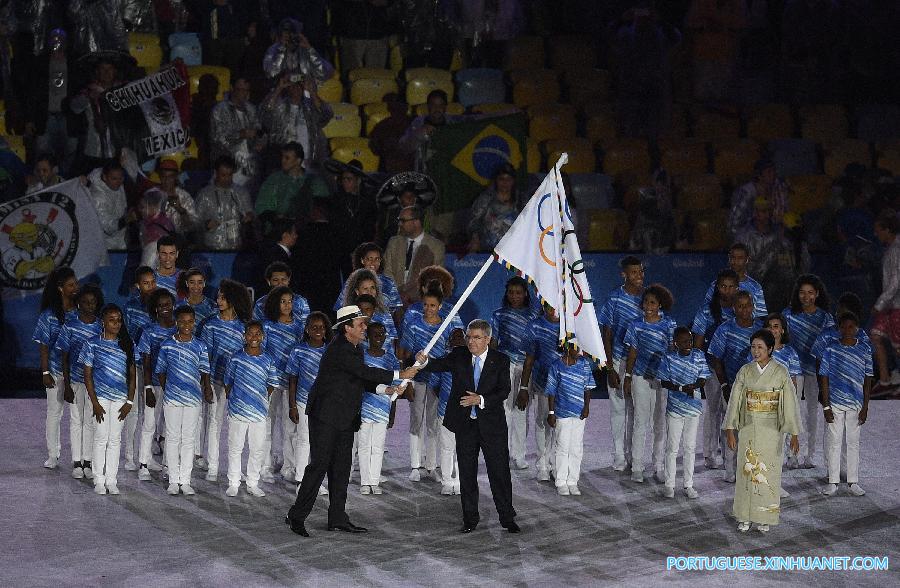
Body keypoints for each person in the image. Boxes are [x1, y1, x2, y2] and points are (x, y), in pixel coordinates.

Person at [285, 306, 418, 537]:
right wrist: (399, 375)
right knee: (318, 467)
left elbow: (358, 378)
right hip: (326, 417)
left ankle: (337, 517)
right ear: (347, 328)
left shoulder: (354, 349)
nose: (365, 328)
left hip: (345, 418)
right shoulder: (339, 349)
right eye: (360, 324)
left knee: (342, 469)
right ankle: (296, 516)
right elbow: (363, 371)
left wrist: (386, 389)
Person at [416, 319, 519, 534]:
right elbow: (437, 365)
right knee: (467, 473)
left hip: (492, 426)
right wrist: (423, 361)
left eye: (476, 338)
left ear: (487, 340)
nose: (471, 342)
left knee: (499, 472)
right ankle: (470, 518)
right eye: (469, 337)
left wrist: (480, 399)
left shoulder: (500, 360)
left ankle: (507, 517)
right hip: (466, 426)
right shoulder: (459, 356)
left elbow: (504, 391)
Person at [723, 329, 800, 534]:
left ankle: (764, 517)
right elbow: (735, 400)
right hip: (748, 427)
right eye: (753, 347)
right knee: (746, 471)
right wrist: (730, 428)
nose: (756, 351)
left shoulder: (781, 371)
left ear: (770, 349)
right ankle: (744, 516)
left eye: (760, 347)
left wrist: (794, 433)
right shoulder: (745, 371)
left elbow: (790, 403)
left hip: (772, 429)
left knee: (769, 473)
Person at [398, 282, 456, 482]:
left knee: (433, 423)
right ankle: (415, 465)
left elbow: (450, 354)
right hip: (418, 379)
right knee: (416, 420)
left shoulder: (447, 326)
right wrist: (409, 381)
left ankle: (431, 465)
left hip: (438, 381)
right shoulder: (414, 324)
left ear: (440, 306)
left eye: (433, 305)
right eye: (425, 305)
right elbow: (405, 353)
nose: (428, 309)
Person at [198, 279, 252, 482]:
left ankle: (237, 469)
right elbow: (205, 357)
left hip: (239, 384)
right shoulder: (210, 325)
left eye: (223, 297)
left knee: (238, 426)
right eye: (218, 296)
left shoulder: (244, 327)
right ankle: (212, 466)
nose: (218, 300)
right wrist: (206, 384)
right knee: (214, 422)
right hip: (215, 381)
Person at [156, 305, 213, 495]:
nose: (186, 325)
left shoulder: (200, 345)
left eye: (190, 321)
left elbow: (205, 371)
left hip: (193, 399)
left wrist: (205, 389)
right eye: (182, 321)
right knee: (172, 438)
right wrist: (171, 391)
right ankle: (173, 480)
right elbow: (161, 372)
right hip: (172, 399)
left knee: (188, 439)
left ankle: (185, 480)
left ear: (194, 322)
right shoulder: (167, 345)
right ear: (176, 322)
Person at [708, 290, 764, 482]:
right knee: (730, 428)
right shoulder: (724, 329)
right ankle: (730, 469)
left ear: (753, 307)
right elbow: (716, 358)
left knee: (751, 430)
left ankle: (749, 468)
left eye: (747, 305)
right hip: (732, 387)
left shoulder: (760, 330)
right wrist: (724, 384)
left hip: (756, 391)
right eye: (740, 306)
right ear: (734, 308)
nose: (744, 310)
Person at [623, 284, 676, 484]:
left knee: (660, 424)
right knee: (640, 422)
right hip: (639, 377)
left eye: (652, 302)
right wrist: (627, 376)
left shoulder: (669, 324)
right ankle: (637, 466)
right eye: (645, 302)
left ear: (660, 304)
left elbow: (672, 351)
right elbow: (633, 352)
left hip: (662, 380)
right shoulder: (635, 325)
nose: (648, 306)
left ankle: (659, 466)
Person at [81, 304, 136, 495]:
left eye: (119, 319)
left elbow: (132, 375)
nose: (116, 323)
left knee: (114, 440)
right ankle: (99, 479)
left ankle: (111, 480)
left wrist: (129, 401)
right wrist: (94, 403)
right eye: (112, 319)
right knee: (101, 438)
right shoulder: (92, 343)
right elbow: (87, 375)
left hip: (120, 399)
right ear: (103, 321)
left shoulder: (127, 344)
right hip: (101, 399)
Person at [598, 256, 644, 472]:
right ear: (624, 274)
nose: (639, 276)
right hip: (617, 359)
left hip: (640, 365)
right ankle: (618, 454)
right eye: (634, 272)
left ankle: (634, 454)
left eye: (641, 272)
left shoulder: (648, 300)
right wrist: (609, 367)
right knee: (618, 409)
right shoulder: (614, 299)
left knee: (636, 410)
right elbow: (606, 334)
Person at [819, 312, 874, 497]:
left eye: (852, 327)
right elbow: (824, 378)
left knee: (853, 443)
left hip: (856, 404)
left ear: (857, 328)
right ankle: (833, 481)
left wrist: (865, 407)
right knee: (834, 442)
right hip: (835, 403)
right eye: (844, 326)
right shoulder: (830, 349)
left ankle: (853, 481)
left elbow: (867, 380)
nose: (848, 330)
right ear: (839, 328)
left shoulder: (865, 350)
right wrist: (826, 406)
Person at [782, 274, 833, 469]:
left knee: (812, 413)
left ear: (817, 294)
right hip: (792, 371)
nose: (806, 297)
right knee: (791, 412)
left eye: (810, 293)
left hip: (815, 371)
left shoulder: (825, 318)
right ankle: (791, 455)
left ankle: (810, 456)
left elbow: (829, 347)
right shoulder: (788, 314)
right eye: (802, 293)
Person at [224, 321, 279, 497]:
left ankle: (253, 482)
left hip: (259, 412)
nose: (254, 337)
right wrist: (236, 400)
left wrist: (260, 398)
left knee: (257, 449)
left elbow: (271, 384)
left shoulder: (268, 359)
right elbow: (228, 382)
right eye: (250, 333)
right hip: (238, 411)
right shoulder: (236, 357)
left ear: (262, 336)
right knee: (235, 447)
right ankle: (233, 481)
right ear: (244, 336)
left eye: (257, 334)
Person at [490, 276, 539, 470]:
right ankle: (503, 452)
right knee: (504, 410)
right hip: (505, 365)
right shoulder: (499, 315)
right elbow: (493, 343)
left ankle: (519, 453)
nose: (514, 296)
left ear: (526, 294)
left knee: (521, 410)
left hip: (527, 366)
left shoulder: (533, 315)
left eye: (518, 292)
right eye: (511, 292)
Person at [56, 285, 104, 480]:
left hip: (95, 382)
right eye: (85, 302)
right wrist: (66, 385)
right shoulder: (70, 326)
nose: (89, 305)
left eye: (92, 302)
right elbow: (65, 357)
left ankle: (88, 460)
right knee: (77, 420)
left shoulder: (101, 326)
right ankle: (77, 461)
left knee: (91, 421)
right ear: (78, 304)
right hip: (75, 381)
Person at [33, 266, 78, 469]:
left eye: (75, 283)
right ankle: (53, 454)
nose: (75, 287)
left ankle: (81, 457)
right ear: (60, 288)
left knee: (79, 416)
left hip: (77, 373)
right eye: (71, 285)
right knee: (55, 412)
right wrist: (45, 372)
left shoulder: (80, 312)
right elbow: (43, 346)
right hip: (54, 371)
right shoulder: (49, 315)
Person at [692, 269, 738, 470]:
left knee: (730, 412)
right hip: (711, 369)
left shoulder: (741, 310)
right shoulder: (706, 311)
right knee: (713, 410)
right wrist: (701, 371)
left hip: (734, 370)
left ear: (737, 288)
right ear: (717, 288)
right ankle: (710, 454)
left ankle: (729, 452)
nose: (726, 291)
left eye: (731, 287)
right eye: (723, 286)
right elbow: (698, 344)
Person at [659, 327, 710, 499]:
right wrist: (681, 388)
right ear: (675, 343)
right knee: (672, 448)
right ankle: (669, 485)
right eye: (684, 341)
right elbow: (664, 382)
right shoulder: (668, 358)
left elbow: (703, 379)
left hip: (693, 408)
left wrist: (693, 387)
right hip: (674, 409)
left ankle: (688, 485)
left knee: (690, 447)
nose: (688, 344)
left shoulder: (699, 356)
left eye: (689, 340)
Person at [262, 286, 306, 482]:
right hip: (271, 382)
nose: (287, 305)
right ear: (275, 304)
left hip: (291, 383)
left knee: (291, 426)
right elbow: (261, 355)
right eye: (283, 301)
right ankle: (266, 465)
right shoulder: (268, 326)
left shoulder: (300, 327)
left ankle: (289, 466)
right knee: (267, 423)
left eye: (290, 301)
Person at [286, 311, 333, 495]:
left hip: (324, 403)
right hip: (304, 401)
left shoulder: (329, 350)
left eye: (321, 327)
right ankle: (301, 481)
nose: (318, 330)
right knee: (304, 440)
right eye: (314, 327)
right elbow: (293, 379)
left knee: (320, 443)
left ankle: (316, 481)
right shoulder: (298, 350)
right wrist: (292, 405)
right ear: (307, 330)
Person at [134, 288, 177, 483]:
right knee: (149, 424)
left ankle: (168, 465)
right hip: (154, 386)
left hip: (175, 387)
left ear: (173, 305)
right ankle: (143, 464)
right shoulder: (148, 332)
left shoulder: (180, 329)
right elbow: (147, 362)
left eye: (167, 304)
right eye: (160, 306)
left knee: (170, 427)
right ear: (155, 309)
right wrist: (148, 388)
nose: (164, 308)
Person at [358, 322, 406, 495]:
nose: (379, 338)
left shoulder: (390, 358)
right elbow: (360, 382)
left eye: (382, 335)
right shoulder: (361, 356)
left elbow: (395, 387)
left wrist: (392, 412)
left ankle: (374, 481)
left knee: (378, 446)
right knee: (364, 445)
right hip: (364, 406)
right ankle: (365, 481)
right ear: (367, 337)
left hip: (383, 408)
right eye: (375, 334)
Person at [519, 305, 562, 481]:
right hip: (542, 382)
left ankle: (557, 463)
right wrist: (523, 388)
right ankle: (543, 464)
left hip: (566, 384)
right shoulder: (535, 326)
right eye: (550, 305)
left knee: (561, 425)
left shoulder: (570, 326)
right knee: (544, 421)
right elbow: (529, 360)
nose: (554, 310)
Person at [545, 345, 594, 496]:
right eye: (576, 348)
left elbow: (587, 387)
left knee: (576, 447)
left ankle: (573, 481)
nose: (579, 351)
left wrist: (586, 406)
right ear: (567, 348)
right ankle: (561, 481)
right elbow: (551, 391)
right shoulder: (556, 366)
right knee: (563, 447)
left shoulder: (584, 364)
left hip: (579, 412)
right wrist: (551, 412)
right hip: (562, 412)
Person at [261, 74, 333, 167]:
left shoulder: (310, 108)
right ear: (288, 87)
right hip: (284, 162)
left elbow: (327, 114)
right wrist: (278, 88)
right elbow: (265, 113)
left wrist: (312, 91)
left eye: (299, 85)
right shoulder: (280, 107)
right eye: (292, 85)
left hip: (308, 162)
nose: (296, 88)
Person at [383, 204, 446, 305]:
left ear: (416, 222)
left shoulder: (436, 246)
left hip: (420, 301)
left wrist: (410, 296)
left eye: (403, 220)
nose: (399, 224)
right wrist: (396, 295)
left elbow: (434, 278)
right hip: (393, 299)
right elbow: (387, 272)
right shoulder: (394, 242)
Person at [209, 79, 264, 188]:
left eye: (246, 90)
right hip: (227, 170)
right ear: (232, 88)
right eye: (240, 90)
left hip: (250, 170)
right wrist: (241, 134)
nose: (243, 94)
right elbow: (218, 138)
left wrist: (260, 141)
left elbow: (260, 131)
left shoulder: (252, 109)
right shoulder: (220, 110)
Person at [256, 142, 330, 220]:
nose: (283, 161)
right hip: (279, 226)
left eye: (287, 158)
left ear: (298, 161)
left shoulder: (315, 182)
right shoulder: (274, 180)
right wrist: (275, 217)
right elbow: (262, 206)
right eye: (282, 157)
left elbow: (323, 209)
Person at [195, 156, 255, 250]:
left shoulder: (241, 192)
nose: (227, 179)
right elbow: (194, 221)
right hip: (211, 248)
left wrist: (249, 216)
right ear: (215, 173)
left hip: (236, 247)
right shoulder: (204, 194)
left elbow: (250, 212)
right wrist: (205, 224)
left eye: (230, 175)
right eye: (223, 175)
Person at [434, 328, 466, 495]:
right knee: (447, 447)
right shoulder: (444, 360)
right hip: (445, 409)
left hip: (466, 410)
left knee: (463, 447)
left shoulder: (471, 360)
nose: (458, 339)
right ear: (450, 340)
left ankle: (461, 481)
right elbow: (435, 385)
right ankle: (447, 481)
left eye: (461, 336)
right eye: (455, 337)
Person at [871, 210, 900, 391]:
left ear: (888, 230)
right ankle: (885, 380)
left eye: (878, 230)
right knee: (876, 335)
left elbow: (897, 281)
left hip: (896, 305)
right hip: (890, 305)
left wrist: (880, 304)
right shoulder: (891, 249)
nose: (876, 234)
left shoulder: (896, 250)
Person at [334, 242, 403, 318]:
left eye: (377, 259)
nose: (373, 262)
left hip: (384, 327)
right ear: (362, 260)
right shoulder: (352, 280)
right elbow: (340, 308)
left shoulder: (388, 282)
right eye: (369, 259)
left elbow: (396, 311)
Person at [398, 90, 461, 173]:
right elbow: (404, 148)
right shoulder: (418, 123)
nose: (437, 108)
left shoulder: (454, 122)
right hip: (424, 171)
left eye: (441, 105)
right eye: (433, 105)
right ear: (428, 106)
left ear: (445, 106)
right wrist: (419, 134)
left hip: (447, 171)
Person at [702, 243, 767, 319]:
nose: (735, 261)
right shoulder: (715, 285)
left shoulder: (755, 287)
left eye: (740, 258)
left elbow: (760, 317)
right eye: (733, 257)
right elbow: (705, 313)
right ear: (729, 258)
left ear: (747, 259)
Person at [467, 164, 521, 253]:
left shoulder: (521, 200)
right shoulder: (485, 199)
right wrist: (475, 238)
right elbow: (473, 222)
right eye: (501, 179)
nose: (505, 183)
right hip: (487, 251)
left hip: (514, 252)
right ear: (496, 180)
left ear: (513, 181)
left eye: (508, 179)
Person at [728, 158, 789, 238]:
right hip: (749, 238)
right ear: (759, 176)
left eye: (774, 171)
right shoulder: (745, 194)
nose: (773, 175)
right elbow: (733, 225)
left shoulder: (779, 187)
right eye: (769, 172)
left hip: (772, 236)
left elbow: (782, 215)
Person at [263, 17, 334, 82]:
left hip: (305, 92)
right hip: (283, 92)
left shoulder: (305, 49)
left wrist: (309, 49)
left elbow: (325, 74)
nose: (289, 36)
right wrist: (281, 49)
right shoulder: (274, 49)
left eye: (292, 32)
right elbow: (270, 74)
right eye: (285, 32)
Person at [88, 162, 134, 253]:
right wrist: (126, 219)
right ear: (105, 177)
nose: (119, 182)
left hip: (121, 239)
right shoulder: (97, 198)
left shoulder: (116, 185)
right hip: (107, 247)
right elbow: (107, 227)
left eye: (121, 178)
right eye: (114, 179)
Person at [253, 262, 311, 327]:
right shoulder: (260, 304)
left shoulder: (301, 302)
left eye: (283, 279)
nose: (280, 283)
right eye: (275, 280)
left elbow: (307, 327)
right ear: (268, 281)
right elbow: (254, 328)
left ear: (289, 280)